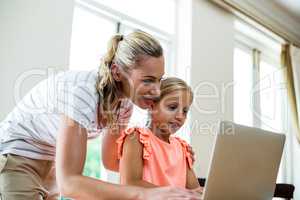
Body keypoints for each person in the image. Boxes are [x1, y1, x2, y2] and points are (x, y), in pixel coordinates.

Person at [0, 31, 200, 200]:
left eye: (159, 80)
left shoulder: (123, 106)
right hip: (18, 156)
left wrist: (170, 156)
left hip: (51, 161)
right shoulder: (82, 93)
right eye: (147, 80)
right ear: (117, 72)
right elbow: (69, 183)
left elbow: (111, 161)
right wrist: (144, 194)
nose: (156, 91)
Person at [117, 77, 202, 193]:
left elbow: (195, 190)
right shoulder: (136, 138)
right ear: (152, 106)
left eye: (185, 111)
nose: (180, 116)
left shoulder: (182, 148)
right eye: (172, 107)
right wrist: (178, 194)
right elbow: (131, 183)